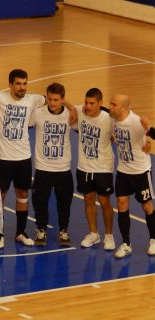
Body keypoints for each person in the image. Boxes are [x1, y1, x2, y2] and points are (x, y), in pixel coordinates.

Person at [0, 69, 45, 249]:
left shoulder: (33, 100)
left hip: (23, 158)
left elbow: (51, 97)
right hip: (3, 158)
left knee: (22, 195)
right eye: (18, 84)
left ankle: (21, 232)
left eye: (24, 83)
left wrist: (70, 107)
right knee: (1, 196)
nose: (22, 87)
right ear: (10, 84)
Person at [108, 94, 155, 258]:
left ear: (123, 107)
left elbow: (152, 134)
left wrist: (148, 130)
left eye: (113, 104)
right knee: (121, 203)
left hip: (140, 171)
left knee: (147, 206)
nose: (110, 107)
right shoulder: (113, 119)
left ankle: (153, 240)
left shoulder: (135, 121)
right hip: (123, 170)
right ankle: (126, 244)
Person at [31, 83, 74, 246]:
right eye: (49, 99)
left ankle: (64, 230)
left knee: (64, 203)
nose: (52, 103)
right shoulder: (38, 113)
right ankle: (41, 229)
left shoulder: (71, 114)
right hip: (43, 167)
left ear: (63, 99)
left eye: (56, 100)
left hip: (63, 168)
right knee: (40, 201)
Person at [74, 88, 116, 250]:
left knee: (104, 201)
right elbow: (70, 107)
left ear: (100, 103)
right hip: (84, 166)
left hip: (103, 167)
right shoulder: (80, 112)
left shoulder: (109, 119)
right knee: (88, 199)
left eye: (92, 103)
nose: (88, 106)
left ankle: (109, 235)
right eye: (86, 102)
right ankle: (94, 233)